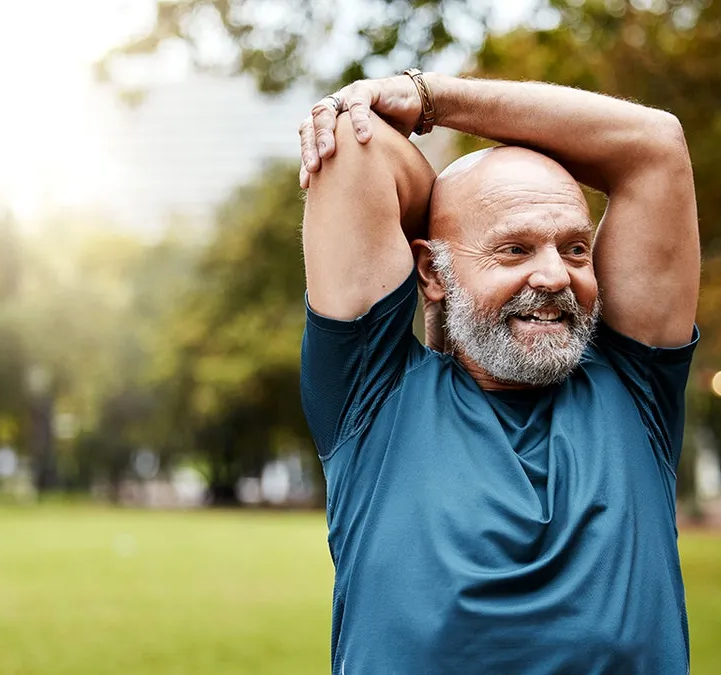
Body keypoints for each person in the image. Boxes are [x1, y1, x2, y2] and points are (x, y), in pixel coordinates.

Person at [297, 70, 700, 675]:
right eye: (513, 249)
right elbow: (357, 148)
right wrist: (451, 250)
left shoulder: (635, 385)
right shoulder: (372, 399)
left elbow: (655, 145)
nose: (555, 276)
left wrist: (435, 98)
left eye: (574, 248)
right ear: (431, 273)